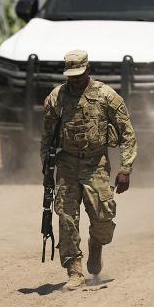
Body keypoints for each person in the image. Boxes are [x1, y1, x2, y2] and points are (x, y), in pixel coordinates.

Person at [40, 49, 137, 291]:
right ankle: (74, 271)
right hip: (67, 165)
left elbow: (127, 134)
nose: (74, 80)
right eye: (70, 75)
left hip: (96, 164)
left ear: (88, 70)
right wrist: (46, 168)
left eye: (79, 75)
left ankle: (96, 245)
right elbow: (47, 137)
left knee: (103, 219)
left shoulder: (107, 96)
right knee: (66, 218)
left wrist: (125, 168)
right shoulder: (57, 98)